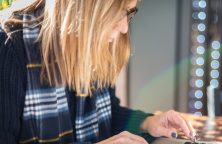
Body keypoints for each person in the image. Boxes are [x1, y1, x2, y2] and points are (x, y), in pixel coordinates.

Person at [0, 0, 195, 143]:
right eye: (117, 12)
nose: (125, 28)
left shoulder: (93, 47)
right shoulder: (9, 47)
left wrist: (147, 122)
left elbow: (108, 114)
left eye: (129, 13)